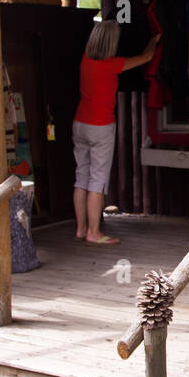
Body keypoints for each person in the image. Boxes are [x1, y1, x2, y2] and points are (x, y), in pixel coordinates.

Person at [72, 17, 159, 245]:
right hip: (100, 126)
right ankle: (94, 232)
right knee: (97, 180)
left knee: (81, 177)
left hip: (80, 123)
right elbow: (146, 57)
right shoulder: (111, 64)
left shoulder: (85, 60)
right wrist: (154, 40)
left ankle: (81, 229)